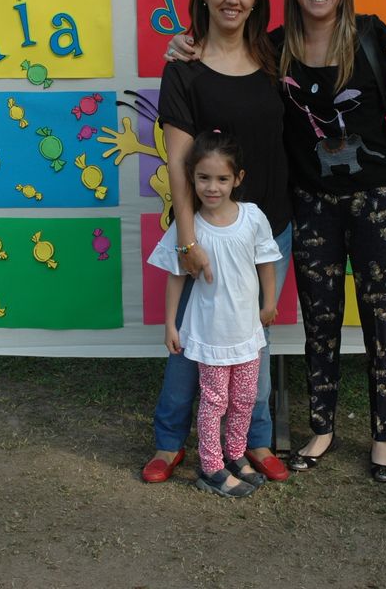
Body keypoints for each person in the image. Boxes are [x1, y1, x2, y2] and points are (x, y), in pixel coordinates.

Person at [167, 0, 386, 482]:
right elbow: (223, 55)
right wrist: (183, 44)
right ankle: (321, 430)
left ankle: (384, 439)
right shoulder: (274, 51)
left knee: (381, 321)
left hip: (380, 202)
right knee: (320, 323)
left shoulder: (372, 37)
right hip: (312, 205)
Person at [140, 0, 294, 486]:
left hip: (268, 228)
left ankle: (255, 440)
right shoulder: (182, 67)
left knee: (253, 339)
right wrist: (188, 240)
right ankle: (169, 442)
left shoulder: (276, 58)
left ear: (257, 0)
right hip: (203, 234)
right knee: (190, 342)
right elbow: (179, 162)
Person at [148, 131, 282, 497]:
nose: (212, 187)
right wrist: (170, 324)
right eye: (203, 178)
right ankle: (211, 467)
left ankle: (235, 455)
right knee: (214, 401)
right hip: (210, 335)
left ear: (238, 178)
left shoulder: (252, 217)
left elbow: (266, 261)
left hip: (246, 333)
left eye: (222, 178)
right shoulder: (188, 228)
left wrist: (269, 303)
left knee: (244, 399)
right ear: (191, 177)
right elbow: (176, 276)